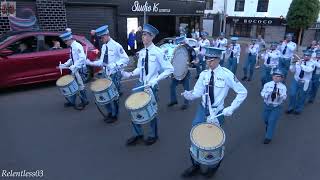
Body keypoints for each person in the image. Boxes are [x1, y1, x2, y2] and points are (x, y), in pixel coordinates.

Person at [181, 47, 247, 178]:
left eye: (211, 60)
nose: (208, 63)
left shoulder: (227, 74)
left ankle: (213, 166)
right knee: (195, 137)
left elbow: (243, 92)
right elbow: (198, 92)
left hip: (217, 111)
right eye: (207, 60)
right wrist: (189, 95)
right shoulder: (204, 74)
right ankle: (195, 164)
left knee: (214, 141)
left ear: (218, 59)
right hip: (203, 108)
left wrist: (231, 107)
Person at [122, 24, 174, 146]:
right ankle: (137, 134)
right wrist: (130, 74)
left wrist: (156, 80)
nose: (143, 37)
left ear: (152, 37)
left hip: (151, 86)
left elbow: (169, 69)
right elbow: (140, 68)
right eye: (143, 34)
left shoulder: (158, 52)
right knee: (134, 108)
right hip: (140, 84)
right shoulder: (141, 52)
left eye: (146, 35)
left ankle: (153, 135)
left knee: (151, 111)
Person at [86, 25, 129, 123]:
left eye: (102, 37)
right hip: (106, 74)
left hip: (114, 74)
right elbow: (102, 62)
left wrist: (115, 64)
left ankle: (115, 115)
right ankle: (110, 112)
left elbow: (126, 59)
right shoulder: (104, 46)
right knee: (105, 95)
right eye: (99, 38)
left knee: (114, 97)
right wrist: (90, 62)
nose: (101, 40)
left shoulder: (116, 46)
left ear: (107, 35)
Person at [58, 31, 89, 109]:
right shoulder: (72, 47)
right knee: (73, 85)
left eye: (65, 41)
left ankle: (84, 101)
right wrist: (64, 65)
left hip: (80, 68)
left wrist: (74, 66)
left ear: (69, 39)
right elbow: (72, 59)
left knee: (80, 85)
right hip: (75, 68)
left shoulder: (77, 46)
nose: (65, 43)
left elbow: (82, 58)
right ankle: (72, 101)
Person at [167, 36, 196, 110]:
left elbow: (195, 60)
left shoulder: (190, 49)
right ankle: (173, 100)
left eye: (181, 42)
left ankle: (186, 103)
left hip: (185, 71)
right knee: (172, 86)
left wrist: (190, 64)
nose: (180, 44)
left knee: (186, 89)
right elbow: (174, 59)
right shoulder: (177, 49)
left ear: (184, 42)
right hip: (177, 71)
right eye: (180, 43)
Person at [260, 69, 287, 144]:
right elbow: (262, 93)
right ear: (272, 76)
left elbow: (284, 97)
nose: (276, 77)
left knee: (272, 121)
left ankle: (268, 137)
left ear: (281, 78)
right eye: (275, 76)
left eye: (279, 76)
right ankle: (268, 126)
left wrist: (280, 96)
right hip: (267, 105)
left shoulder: (283, 87)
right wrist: (266, 94)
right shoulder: (267, 84)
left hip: (276, 107)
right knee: (265, 119)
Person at [286, 50, 315, 115]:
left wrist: (301, 64)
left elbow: (308, 70)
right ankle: (291, 107)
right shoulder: (298, 62)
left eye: (308, 55)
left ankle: (298, 109)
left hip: (305, 82)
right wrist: (292, 64)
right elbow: (292, 70)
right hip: (296, 80)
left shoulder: (312, 63)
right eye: (305, 55)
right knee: (292, 94)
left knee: (302, 96)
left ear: (310, 56)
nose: (306, 56)